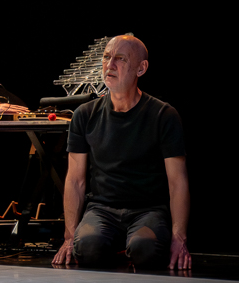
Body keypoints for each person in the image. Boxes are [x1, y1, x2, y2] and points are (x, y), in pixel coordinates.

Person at [52, 35, 191, 270]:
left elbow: (178, 182)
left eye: (120, 59)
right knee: (86, 248)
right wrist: (69, 237)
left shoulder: (163, 115)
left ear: (141, 68)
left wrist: (179, 239)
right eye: (106, 57)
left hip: (147, 210)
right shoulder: (84, 115)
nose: (110, 65)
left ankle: (130, 248)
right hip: (102, 209)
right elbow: (75, 180)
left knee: (145, 251)